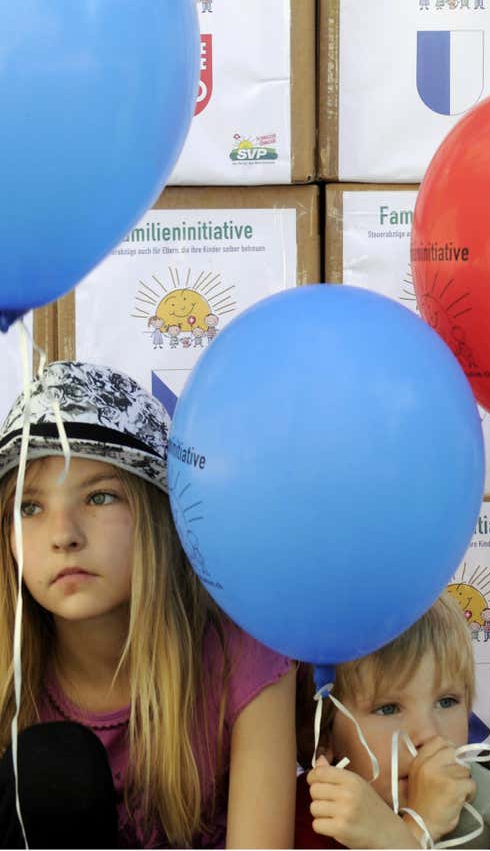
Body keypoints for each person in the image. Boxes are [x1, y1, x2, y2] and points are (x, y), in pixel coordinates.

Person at [0, 362, 296, 848]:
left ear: (159, 514)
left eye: (99, 497)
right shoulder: (10, 678)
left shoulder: (242, 655)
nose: (64, 536)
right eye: (29, 507)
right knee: (52, 765)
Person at [295, 596, 490, 848]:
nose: (429, 734)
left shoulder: (488, 809)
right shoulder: (299, 821)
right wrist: (421, 828)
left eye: (447, 701)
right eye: (388, 709)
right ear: (321, 736)